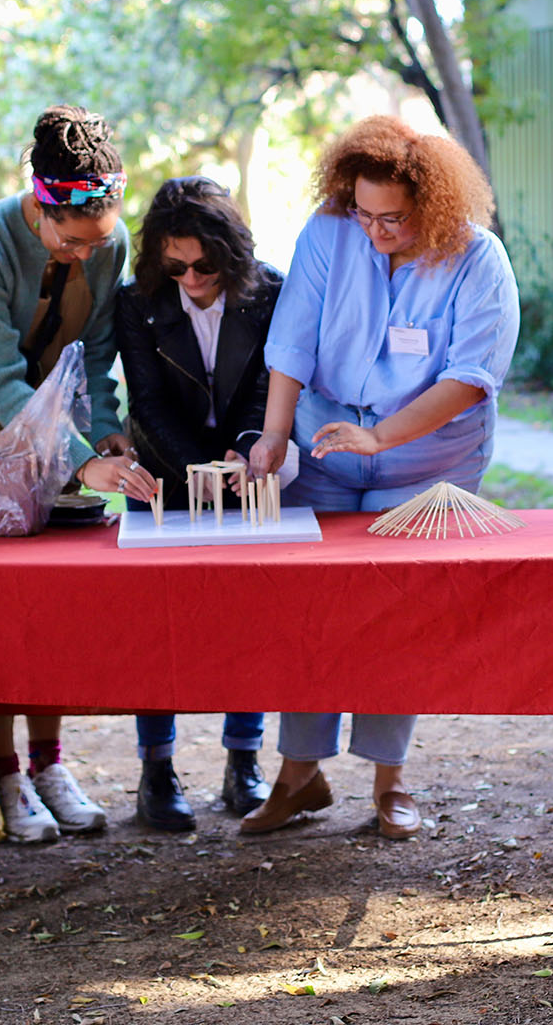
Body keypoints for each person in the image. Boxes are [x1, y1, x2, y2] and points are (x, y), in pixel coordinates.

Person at [240, 115, 520, 841]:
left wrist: (383, 435)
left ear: (433, 206)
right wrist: (273, 437)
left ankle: (390, 784)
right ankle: (298, 776)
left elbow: (470, 377)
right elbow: (293, 337)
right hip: (328, 451)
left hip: (430, 459)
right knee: (313, 610)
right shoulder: (330, 232)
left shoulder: (477, 257)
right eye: (363, 213)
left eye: (392, 218)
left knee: (396, 614)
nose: (375, 231)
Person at [0, 105, 158, 844]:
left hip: (59, 407)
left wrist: (106, 431)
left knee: (42, 594)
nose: (86, 255)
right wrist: (82, 458)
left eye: (98, 242)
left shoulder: (105, 245)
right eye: (70, 241)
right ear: (39, 206)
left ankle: (50, 764)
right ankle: (5, 775)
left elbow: (97, 354)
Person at [114, 176, 283, 831]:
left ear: (231, 255)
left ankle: (244, 763)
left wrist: (245, 450)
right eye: (174, 264)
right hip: (164, 475)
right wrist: (199, 470)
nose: (189, 277)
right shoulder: (138, 302)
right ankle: (156, 772)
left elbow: (271, 383)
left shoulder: (270, 292)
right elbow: (146, 401)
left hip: (249, 469)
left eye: (203, 265)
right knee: (157, 628)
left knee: (250, 620)